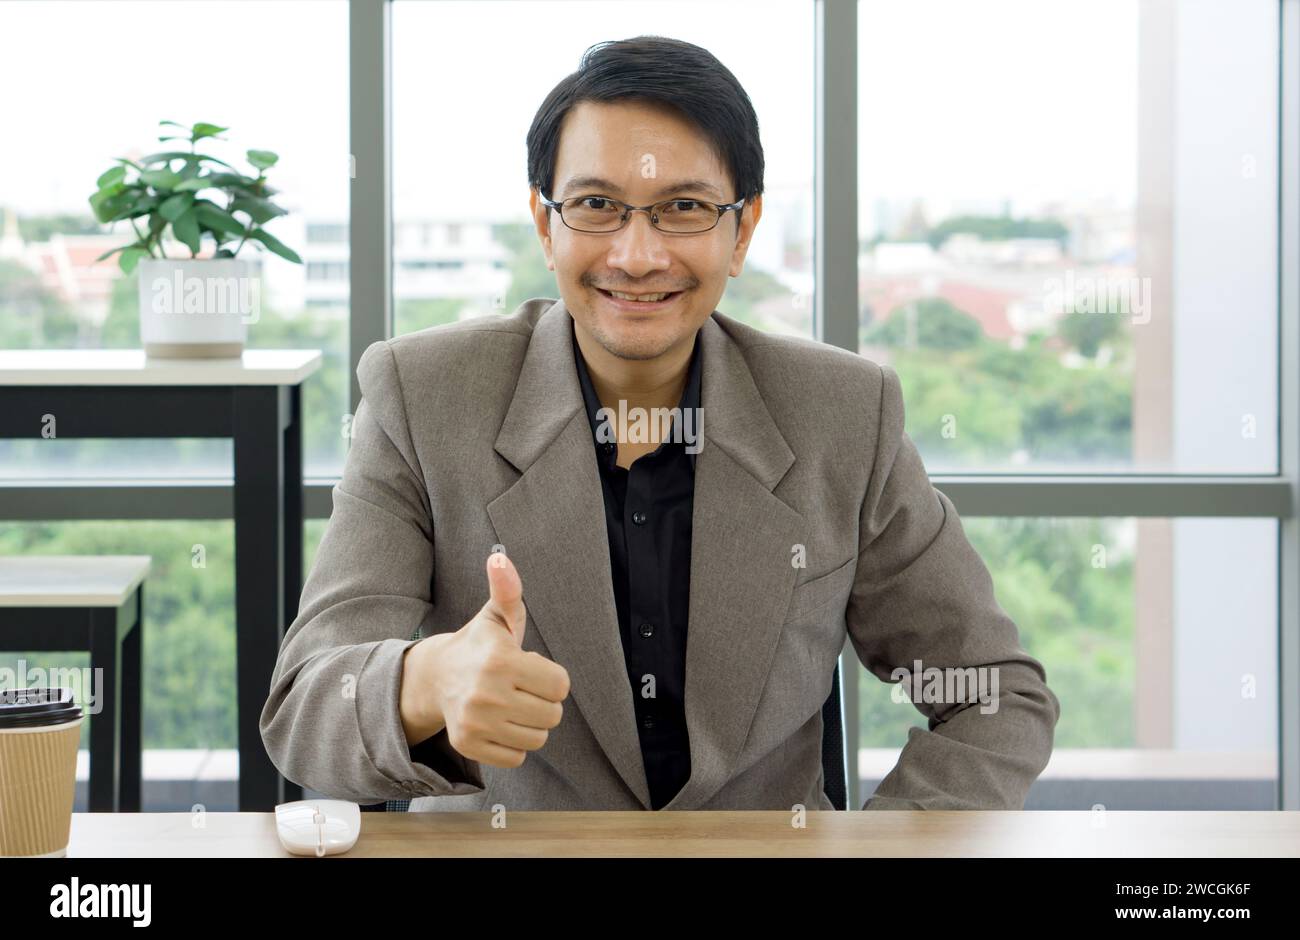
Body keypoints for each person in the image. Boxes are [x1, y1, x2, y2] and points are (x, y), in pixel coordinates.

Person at [260, 35, 1060, 812]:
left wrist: (879, 852)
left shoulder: (842, 415)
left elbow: (996, 695)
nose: (637, 255)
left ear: (741, 231)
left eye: (683, 208)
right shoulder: (423, 395)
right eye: (597, 206)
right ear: (546, 225)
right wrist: (423, 683)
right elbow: (304, 707)